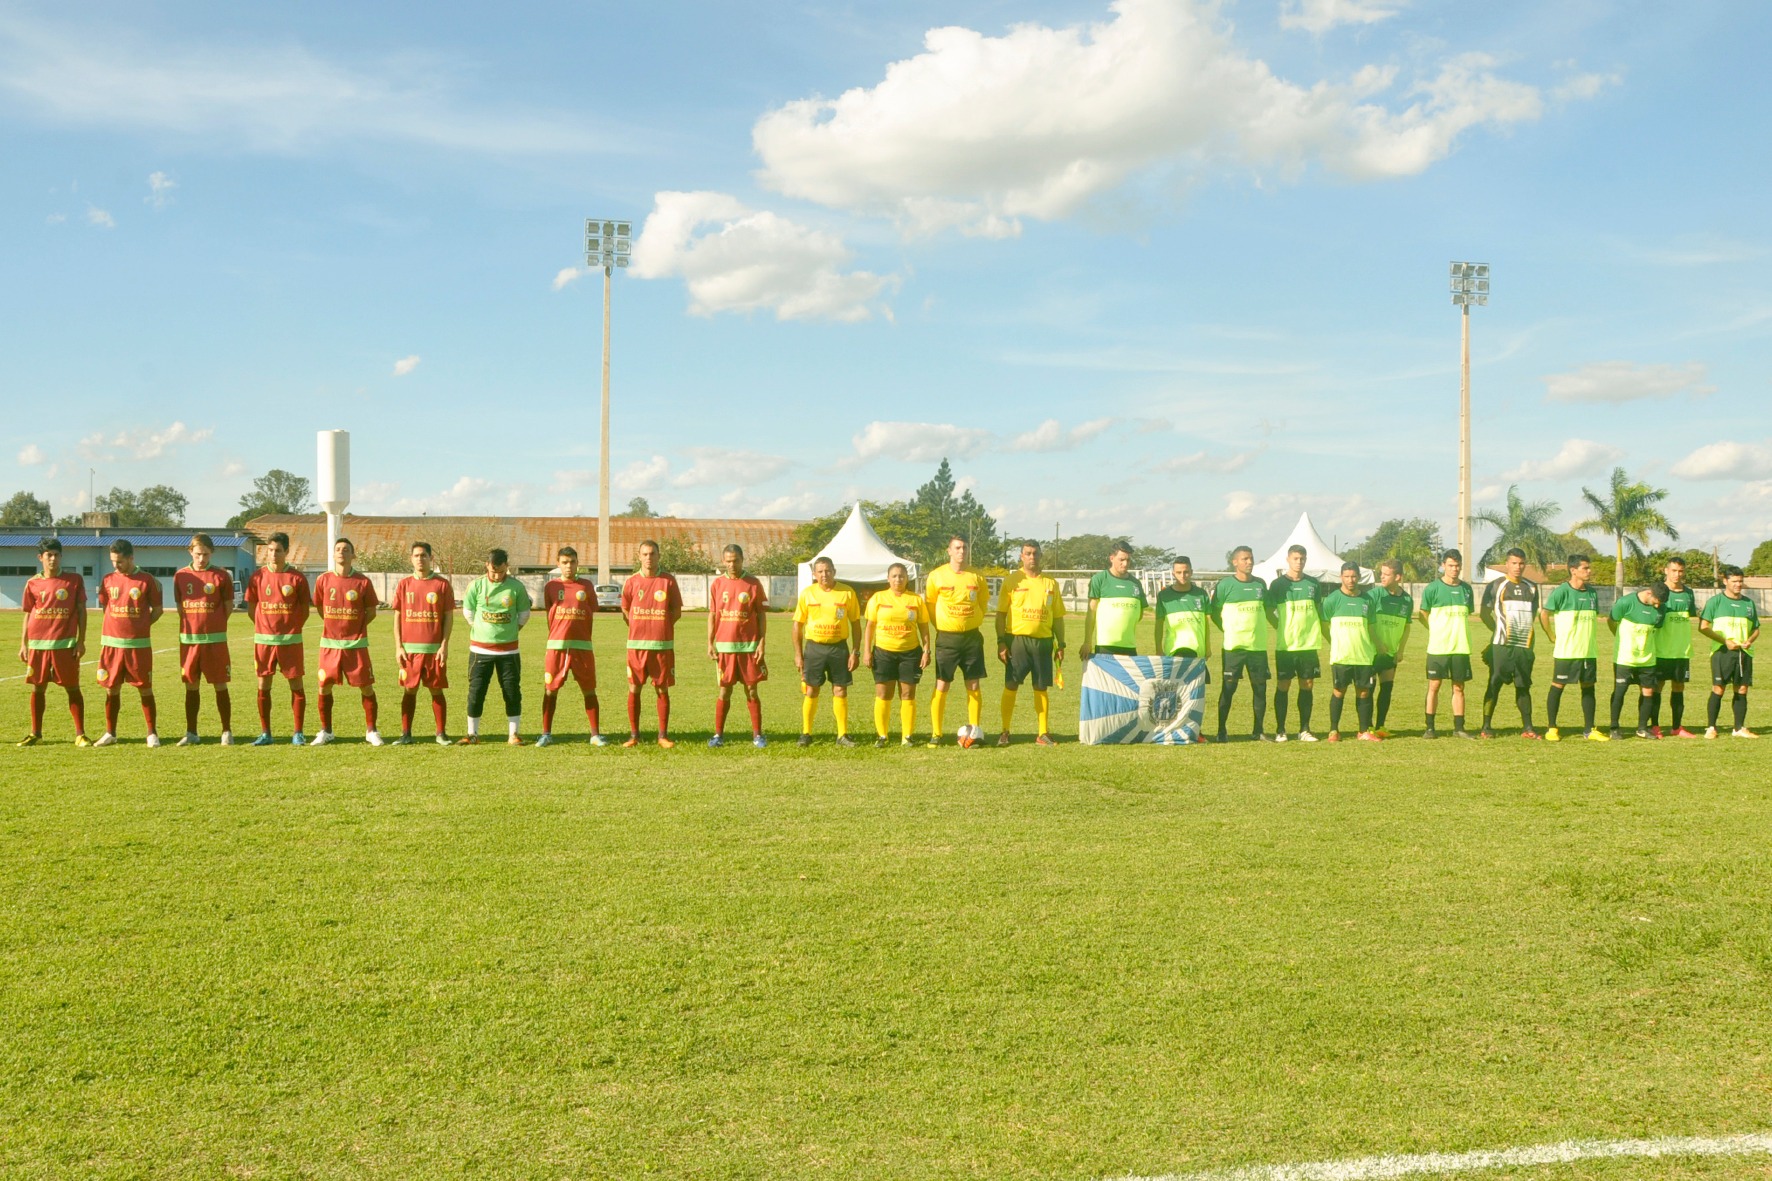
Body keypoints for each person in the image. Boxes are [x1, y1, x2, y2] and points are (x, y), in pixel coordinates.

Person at [16, 537, 89, 747]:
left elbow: (81, 611)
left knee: (72, 687)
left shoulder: (74, 580)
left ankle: (80, 734)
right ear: (40, 557)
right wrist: (23, 644)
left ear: (61, 556)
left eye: (56, 555)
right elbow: (28, 613)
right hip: (38, 645)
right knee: (38, 688)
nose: (53, 559)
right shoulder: (32, 583)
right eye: (49, 555)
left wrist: (81, 641)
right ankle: (35, 733)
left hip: (64, 645)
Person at [93, 538, 163, 747]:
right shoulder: (107, 580)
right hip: (111, 644)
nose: (116, 565)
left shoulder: (147, 580)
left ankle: (151, 733)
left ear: (131, 558)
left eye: (120, 561)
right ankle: (110, 732)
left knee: (145, 688)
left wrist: (141, 625)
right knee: (111, 688)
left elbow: (157, 610)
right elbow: (106, 607)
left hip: (137, 645)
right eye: (113, 561)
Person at [312, 537, 382, 746]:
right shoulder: (323, 580)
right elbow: (320, 608)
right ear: (334, 555)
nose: (341, 552)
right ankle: (326, 731)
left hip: (356, 644)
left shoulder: (363, 582)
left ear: (353, 555)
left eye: (346, 549)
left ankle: (371, 731)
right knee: (324, 687)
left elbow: (371, 611)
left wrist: (356, 627)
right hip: (330, 644)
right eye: (338, 549)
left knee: (366, 687)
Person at [995, 540, 1065, 746]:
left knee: (1041, 687)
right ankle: (1005, 731)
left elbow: (1058, 617)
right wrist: (1001, 642)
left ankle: (1043, 733)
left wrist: (1061, 644)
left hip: (1043, 642)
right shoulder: (1012, 581)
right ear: (1021, 556)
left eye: (1035, 553)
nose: (1032, 557)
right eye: (1028, 553)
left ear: (1040, 556)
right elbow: (1000, 615)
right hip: (1017, 641)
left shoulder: (1050, 583)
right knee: (1011, 684)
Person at [244, 531, 311, 745]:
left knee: (296, 684)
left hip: (290, 641)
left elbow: (304, 610)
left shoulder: (297, 578)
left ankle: (298, 732)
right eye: (271, 550)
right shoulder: (257, 577)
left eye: (278, 551)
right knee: (263, 685)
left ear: (287, 551)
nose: (274, 554)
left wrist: (291, 628)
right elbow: (252, 608)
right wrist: (264, 626)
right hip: (264, 641)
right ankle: (266, 733)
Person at [461, 547, 531, 745]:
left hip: (509, 651)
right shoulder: (476, 585)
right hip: (480, 650)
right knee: (476, 692)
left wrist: (511, 631)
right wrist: (481, 630)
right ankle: (473, 734)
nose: (497, 575)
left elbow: (524, 614)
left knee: (511, 692)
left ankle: (513, 734)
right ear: (487, 566)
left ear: (506, 566)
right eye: (493, 571)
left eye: (501, 571)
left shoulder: (516, 587)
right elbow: (468, 612)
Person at [923, 535, 990, 745]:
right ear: (949, 551)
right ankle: (936, 733)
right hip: (947, 638)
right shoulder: (936, 576)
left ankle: (974, 732)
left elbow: (983, 604)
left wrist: (972, 620)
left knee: (973, 684)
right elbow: (930, 605)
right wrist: (942, 626)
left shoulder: (977, 576)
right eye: (958, 548)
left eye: (964, 548)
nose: (962, 551)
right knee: (942, 684)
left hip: (972, 638)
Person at [172, 533, 234, 746]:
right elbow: (180, 606)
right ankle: (191, 732)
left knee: (220, 685)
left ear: (211, 553)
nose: (201, 559)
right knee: (191, 686)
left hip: (215, 641)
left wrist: (214, 624)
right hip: (189, 641)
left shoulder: (221, 576)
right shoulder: (180, 575)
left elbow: (228, 607)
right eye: (198, 554)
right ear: (190, 551)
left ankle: (226, 731)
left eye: (206, 554)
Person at [793, 556, 861, 747]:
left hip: (839, 648)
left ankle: (842, 735)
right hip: (814, 648)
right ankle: (806, 733)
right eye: (820, 571)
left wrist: (855, 651)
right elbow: (797, 625)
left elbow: (856, 623)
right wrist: (798, 654)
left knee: (840, 689)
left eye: (828, 570)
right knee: (811, 689)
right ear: (814, 574)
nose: (825, 574)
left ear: (834, 572)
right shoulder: (807, 593)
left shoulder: (847, 593)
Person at [539, 546, 603, 748]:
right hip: (557, 646)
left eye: (572, 562)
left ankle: (595, 734)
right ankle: (546, 734)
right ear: (558, 564)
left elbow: (592, 609)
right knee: (550, 690)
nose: (569, 566)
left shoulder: (586, 585)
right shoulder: (551, 586)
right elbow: (550, 612)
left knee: (589, 689)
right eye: (565, 562)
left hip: (582, 646)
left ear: (577, 563)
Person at [391, 540, 454, 744]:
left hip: (434, 650)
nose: (420, 559)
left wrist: (444, 645)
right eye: (416, 556)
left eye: (424, 555)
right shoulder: (404, 584)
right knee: (409, 689)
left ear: (430, 558)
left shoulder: (442, 585)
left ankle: (441, 733)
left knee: (436, 689)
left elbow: (448, 617)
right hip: (409, 650)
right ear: (411, 559)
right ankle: (406, 734)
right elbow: (397, 617)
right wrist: (398, 646)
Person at [621, 539, 682, 747]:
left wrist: (661, 626)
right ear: (639, 556)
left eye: (652, 553)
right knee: (634, 688)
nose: (649, 558)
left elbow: (676, 611)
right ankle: (634, 735)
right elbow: (625, 609)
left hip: (661, 646)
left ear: (658, 556)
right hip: (636, 646)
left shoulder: (668, 581)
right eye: (645, 554)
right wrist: (638, 626)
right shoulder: (631, 582)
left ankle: (662, 736)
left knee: (662, 689)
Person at [707, 543, 769, 748]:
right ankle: (718, 735)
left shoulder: (753, 583)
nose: (732, 565)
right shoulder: (717, 584)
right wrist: (710, 642)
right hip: (725, 648)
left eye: (736, 561)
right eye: (728, 561)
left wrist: (761, 642)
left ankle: (758, 735)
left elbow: (761, 615)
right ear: (723, 561)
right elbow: (713, 615)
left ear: (742, 560)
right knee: (724, 691)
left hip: (749, 647)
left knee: (751, 690)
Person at [861, 562, 928, 747]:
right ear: (888, 579)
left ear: (907, 579)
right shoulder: (878, 598)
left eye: (902, 576)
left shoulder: (915, 600)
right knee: (883, 693)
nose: (898, 579)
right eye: (894, 576)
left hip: (910, 653)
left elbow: (923, 627)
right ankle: (882, 736)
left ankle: (907, 736)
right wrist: (867, 651)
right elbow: (870, 626)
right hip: (883, 652)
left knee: (908, 694)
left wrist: (926, 650)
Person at [1539, 554, 1603, 742]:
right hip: (1567, 652)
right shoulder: (1561, 592)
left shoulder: (1592, 593)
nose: (1589, 571)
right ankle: (1552, 728)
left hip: (1588, 651)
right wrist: (1551, 636)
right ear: (1573, 570)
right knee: (1558, 686)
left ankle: (1589, 729)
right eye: (1585, 568)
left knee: (1588, 688)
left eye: (1589, 567)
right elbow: (1544, 614)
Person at [1264, 544, 1325, 742]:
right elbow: (1268, 612)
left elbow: (1317, 609)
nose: (1299, 562)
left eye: (1302, 559)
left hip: (1308, 644)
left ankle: (1304, 730)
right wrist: (1280, 627)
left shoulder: (1313, 584)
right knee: (1283, 685)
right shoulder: (1278, 585)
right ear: (1288, 560)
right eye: (1296, 559)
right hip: (1286, 645)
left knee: (1307, 685)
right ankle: (1281, 730)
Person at [1478, 548, 1540, 738]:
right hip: (1502, 645)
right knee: (1494, 683)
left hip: (1524, 645)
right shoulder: (1496, 585)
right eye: (1514, 563)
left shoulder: (1532, 587)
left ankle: (1528, 727)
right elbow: (1484, 614)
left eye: (1521, 563)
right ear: (1507, 564)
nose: (1518, 567)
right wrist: (1497, 631)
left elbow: (1532, 615)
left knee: (1523, 685)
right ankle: (1486, 727)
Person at [1210, 545, 1270, 742]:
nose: (1249, 562)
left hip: (1257, 647)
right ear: (1234, 562)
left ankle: (1258, 731)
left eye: (1251, 558)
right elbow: (1215, 613)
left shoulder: (1260, 584)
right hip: (1233, 647)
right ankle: (1221, 731)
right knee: (1228, 689)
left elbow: (1267, 609)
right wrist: (1229, 629)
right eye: (1245, 559)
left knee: (1260, 689)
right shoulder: (1225, 585)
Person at [1418, 549, 1476, 739]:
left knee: (1459, 687)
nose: (1454, 569)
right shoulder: (1432, 588)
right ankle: (1430, 728)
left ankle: (1459, 728)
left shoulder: (1466, 589)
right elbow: (1423, 614)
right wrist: (1435, 629)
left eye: (1457, 566)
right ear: (1443, 565)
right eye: (1451, 565)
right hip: (1438, 647)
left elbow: (1468, 613)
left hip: (1461, 647)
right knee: (1434, 686)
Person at [1319, 561, 1380, 742]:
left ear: (1359, 577)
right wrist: (1334, 641)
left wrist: (1378, 646)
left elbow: (1371, 627)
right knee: (1339, 691)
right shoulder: (1331, 600)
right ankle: (1333, 731)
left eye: (1354, 576)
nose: (1350, 580)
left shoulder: (1368, 600)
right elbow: (1323, 624)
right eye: (1347, 576)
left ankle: (1363, 731)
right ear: (1341, 577)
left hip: (1363, 655)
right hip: (1342, 655)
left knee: (1364, 692)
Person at [1699, 565, 1759, 738]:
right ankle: (1711, 728)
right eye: (1734, 581)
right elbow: (1703, 627)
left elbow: (1756, 629)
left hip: (1744, 653)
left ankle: (1739, 728)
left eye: (1740, 581)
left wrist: (1750, 640)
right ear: (1725, 581)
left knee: (1742, 689)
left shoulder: (1748, 603)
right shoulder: (1715, 602)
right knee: (1719, 688)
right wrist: (1724, 641)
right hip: (1722, 652)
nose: (1738, 584)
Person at [1607, 581, 1667, 739]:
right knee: (1620, 691)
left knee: (1648, 692)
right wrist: (1619, 637)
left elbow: (1655, 628)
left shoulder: (1661, 609)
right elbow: (1611, 621)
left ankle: (1642, 728)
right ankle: (1614, 727)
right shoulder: (1625, 602)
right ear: (1649, 593)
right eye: (1656, 601)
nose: (1657, 606)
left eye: (1660, 603)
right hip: (1624, 658)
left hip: (1647, 659)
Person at [1652, 556, 1698, 738]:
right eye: (1673, 570)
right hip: (1661, 650)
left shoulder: (1688, 593)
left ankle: (1677, 727)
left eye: (1680, 571)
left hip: (1682, 650)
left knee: (1679, 687)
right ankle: (1654, 726)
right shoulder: (1658, 591)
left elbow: (1690, 616)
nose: (1677, 574)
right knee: (1657, 687)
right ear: (1666, 570)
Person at [1366, 558, 1412, 737]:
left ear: (1397, 577)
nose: (1382, 577)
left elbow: (1406, 627)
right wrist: (1377, 644)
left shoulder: (1406, 600)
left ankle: (1380, 726)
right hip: (1372, 652)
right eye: (1381, 574)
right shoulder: (1374, 595)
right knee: (1368, 689)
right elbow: (1367, 623)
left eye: (1386, 574)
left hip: (1390, 653)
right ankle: (1367, 727)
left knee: (1386, 689)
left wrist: (1400, 650)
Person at [1154, 556, 1211, 661]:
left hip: (1198, 650)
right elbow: (1159, 624)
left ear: (1191, 572)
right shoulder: (1164, 596)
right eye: (1179, 572)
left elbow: (1206, 624)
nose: (1182, 576)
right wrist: (1158, 649)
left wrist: (1208, 647)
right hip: (1173, 651)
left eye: (1186, 572)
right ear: (1173, 574)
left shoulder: (1201, 594)